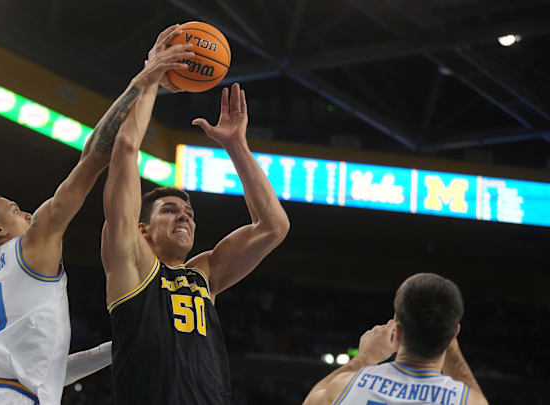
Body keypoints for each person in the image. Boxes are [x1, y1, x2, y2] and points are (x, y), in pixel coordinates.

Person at [0, 27, 192, 405]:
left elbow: (50, 370)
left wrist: (119, 347)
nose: (30, 214)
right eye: (16, 211)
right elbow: (95, 156)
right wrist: (146, 77)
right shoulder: (31, 246)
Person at [100, 26, 290, 404]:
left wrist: (237, 147)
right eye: (170, 211)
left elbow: (273, 226)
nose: (184, 218)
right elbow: (124, 149)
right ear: (142, 229)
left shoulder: (203, 274)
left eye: (188, 213)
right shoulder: (130, 262)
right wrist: (151, 76)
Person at [302, 273, 488, 405]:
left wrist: (366, 357)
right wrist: (448, 341)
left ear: (397, 332)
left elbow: (311, 401)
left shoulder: (347, 386)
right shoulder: (464, 400)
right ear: (454, 334)